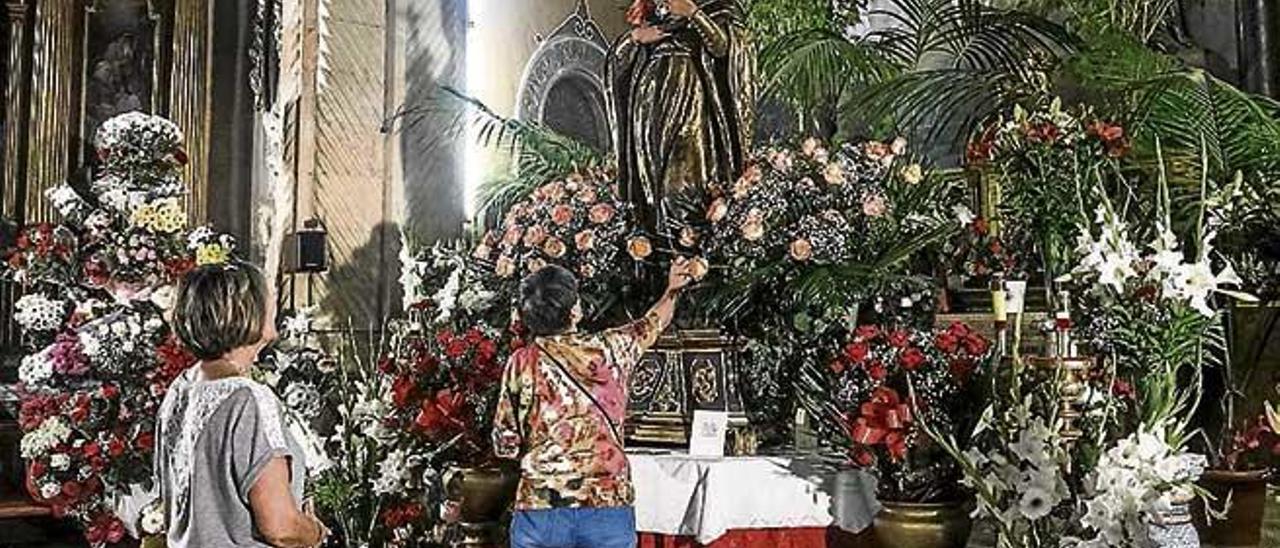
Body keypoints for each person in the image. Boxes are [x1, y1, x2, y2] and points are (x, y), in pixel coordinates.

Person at [492, 258, 697, 548]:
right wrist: (672, 290)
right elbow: (654, 322)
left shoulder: (521, 363)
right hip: (606, 504)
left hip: (540, 508)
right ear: (574, 311)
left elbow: (506, 443)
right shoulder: (609, 349)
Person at [156, 261, 327, 547]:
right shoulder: (248, 399)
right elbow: (280, 527)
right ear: (244, 310)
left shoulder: (181, 387)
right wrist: (315, 533)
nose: (274, 302)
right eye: (268, 295)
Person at [607, 0, 755, 232]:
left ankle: (689, 255)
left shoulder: (718, 6)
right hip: (648, 100)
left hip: (689, 94)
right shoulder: (654, 10)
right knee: (650, 181)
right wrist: (635, 37)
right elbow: (618, 61)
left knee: (681, 186)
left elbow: (724, 48)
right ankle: (659, 254)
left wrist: (693, 13)